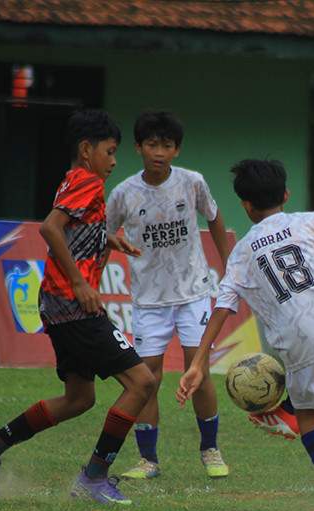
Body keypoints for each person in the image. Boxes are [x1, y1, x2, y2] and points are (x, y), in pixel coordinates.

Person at [0, 109, 156, 504]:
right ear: (86, 150)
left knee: (79, 399)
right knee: (142, 382)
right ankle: (93, 479)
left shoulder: (72, 179)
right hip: (72, 303)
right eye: (110, 151)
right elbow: (50, 227)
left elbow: (71, 226)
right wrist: (81, 283)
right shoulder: (88, 181)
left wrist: (106, 239)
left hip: (57, 304)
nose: (114, 161)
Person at [176, 159, 314, 511]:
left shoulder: (242, 252)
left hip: (302, 339)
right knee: (306, 401)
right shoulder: (312, 220)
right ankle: (285, 412)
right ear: (285, 195)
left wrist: (197, 364)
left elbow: (222, 308)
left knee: (310, 420)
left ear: (245, 205)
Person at [105, 110, 231, 481]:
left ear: (177, 150)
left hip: (193, 293)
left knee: (199, 371)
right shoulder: (124, 193)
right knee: (146, 378)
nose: (159, 152)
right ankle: (148, 460)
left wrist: (230, 266)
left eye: (167, 145)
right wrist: (94, 275)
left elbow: (214, 216)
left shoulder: (192, 182)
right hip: (148, 299)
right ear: (137, 147)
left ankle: (210, 449)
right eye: (152, 144)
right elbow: (105, 234)